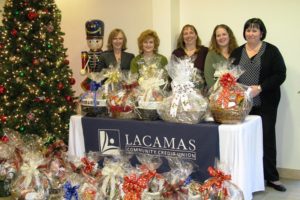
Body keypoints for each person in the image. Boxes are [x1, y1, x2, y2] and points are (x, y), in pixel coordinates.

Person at [230, 18, 287, 192]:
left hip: (266, 103)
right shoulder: (237, 51)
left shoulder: (271, 51)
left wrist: (260, 88)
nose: (251, 33)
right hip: (242, 105)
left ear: (261, 33)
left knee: (267, 138)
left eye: (255, 30)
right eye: (248, 30)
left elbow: (280, 74)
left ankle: (272, 177)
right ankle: (247, 175)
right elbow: (230, 75)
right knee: (244, 139)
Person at [172, 24, 209, 92]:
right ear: (182, 37)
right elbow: (172, 75)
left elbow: (209, 73)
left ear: (196, 36)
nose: (189, 35)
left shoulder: (204, 51)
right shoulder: (177, 53)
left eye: (191, 33)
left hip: (201, 92)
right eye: (185, 34)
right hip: (181, 92)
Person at [204, 24, 238, 89]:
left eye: (224, 34)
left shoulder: (237, 52)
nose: (221, 37)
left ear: (229, 36)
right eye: (218, 35)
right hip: (217, 95)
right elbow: (209, 77)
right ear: (215, 38)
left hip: (236, 94)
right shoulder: (211, 55)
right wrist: (219, 92)